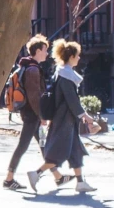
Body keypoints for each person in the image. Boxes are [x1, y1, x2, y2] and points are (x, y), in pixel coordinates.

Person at [28, 39, 97, 194]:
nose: (79, 58)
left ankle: (80, 183)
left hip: (67, 119)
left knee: (75, 151)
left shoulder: (65, 73)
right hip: (64, 119)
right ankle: (36, 174)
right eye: (77, 55)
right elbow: (72, 100)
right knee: (58, 151)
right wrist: (85, 116)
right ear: (71, 56)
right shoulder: (66, 75)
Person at [3, 34, 50, 191]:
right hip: (32, 115)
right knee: (23, 146)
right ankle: (9, 179)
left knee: (44, 144)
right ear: (37, 51)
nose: (47, 53)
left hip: (31, 114)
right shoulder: (32, 70)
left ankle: (57, 175)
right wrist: (42, 116)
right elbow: (34, 97)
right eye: (45, 50)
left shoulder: (28, 67)